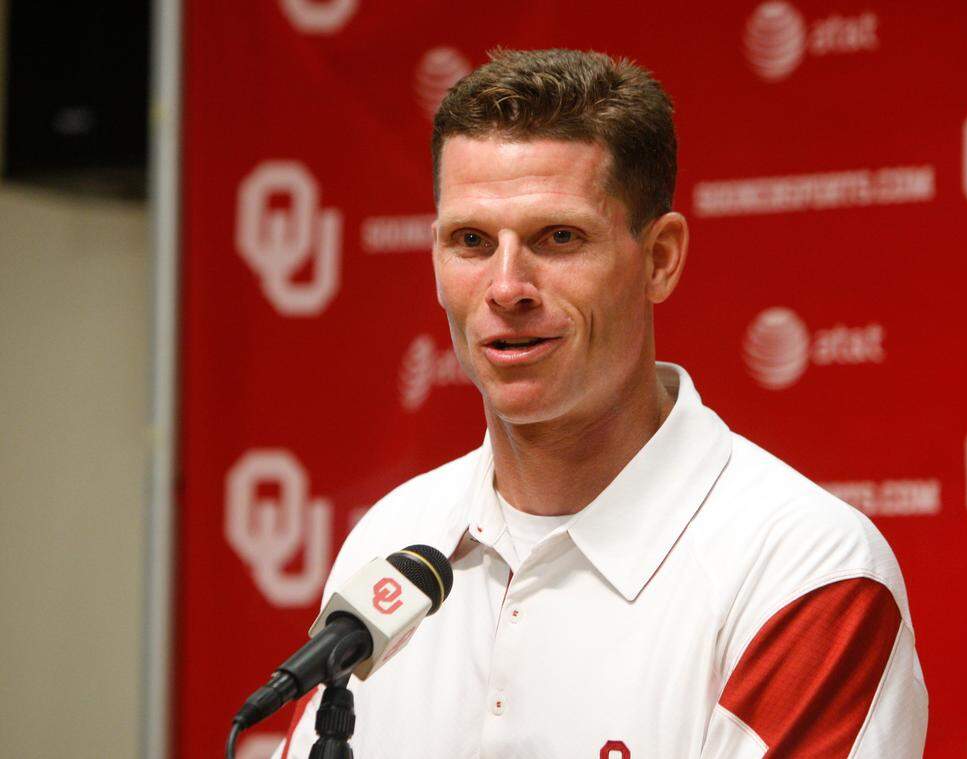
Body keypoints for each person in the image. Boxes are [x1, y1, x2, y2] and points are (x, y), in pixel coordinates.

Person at [274, 48, 927, 758]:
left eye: (559, 238)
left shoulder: (804, 567)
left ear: (660, 258)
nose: (505, 287)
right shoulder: (392, 540)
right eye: (471, 241)